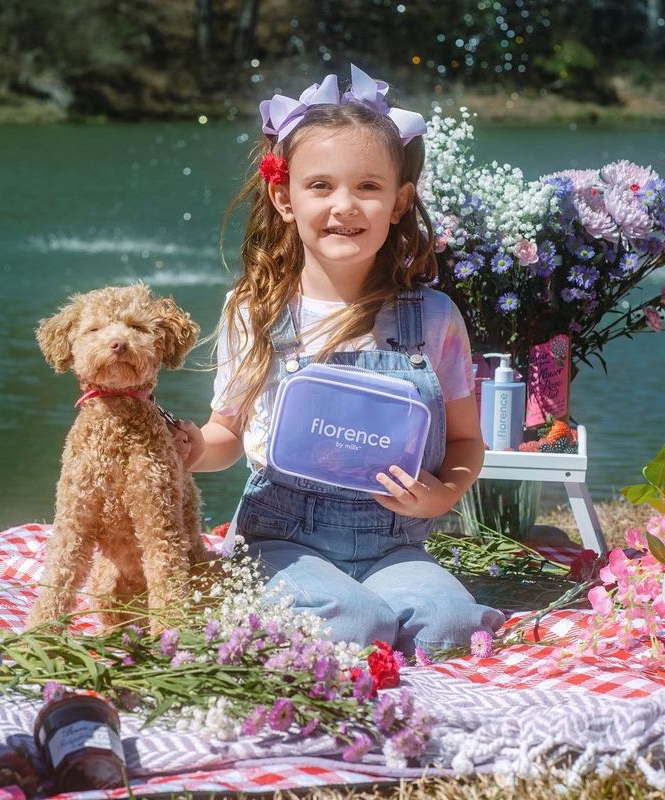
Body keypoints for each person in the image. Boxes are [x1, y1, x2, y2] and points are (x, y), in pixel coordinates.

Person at [174, 65, 505, 655]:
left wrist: (440, 496)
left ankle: (373, 624)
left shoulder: (433, 319)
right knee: (354, 626)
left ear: (400, 201)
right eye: (320, 186)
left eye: (369, 188)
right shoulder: (255, 311)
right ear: (284, 197)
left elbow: (465, 443)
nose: (344, 206)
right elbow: (227, 431)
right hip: (280, 539)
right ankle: (279, 600)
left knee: (453, 625)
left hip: (393, 544)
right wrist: (193, 448)